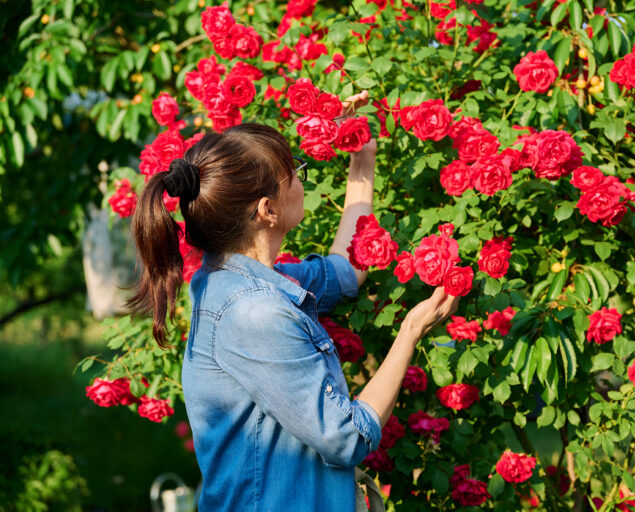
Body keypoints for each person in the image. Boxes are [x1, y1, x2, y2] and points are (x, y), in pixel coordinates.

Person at [128, 91, 460, 511]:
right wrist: (411, 332)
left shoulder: (247, 282)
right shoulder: (253, 312)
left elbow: (347, 269)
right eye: (295, 173)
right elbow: (346, 437)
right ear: (267, 209)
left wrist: (362, 160)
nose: (302, 181)